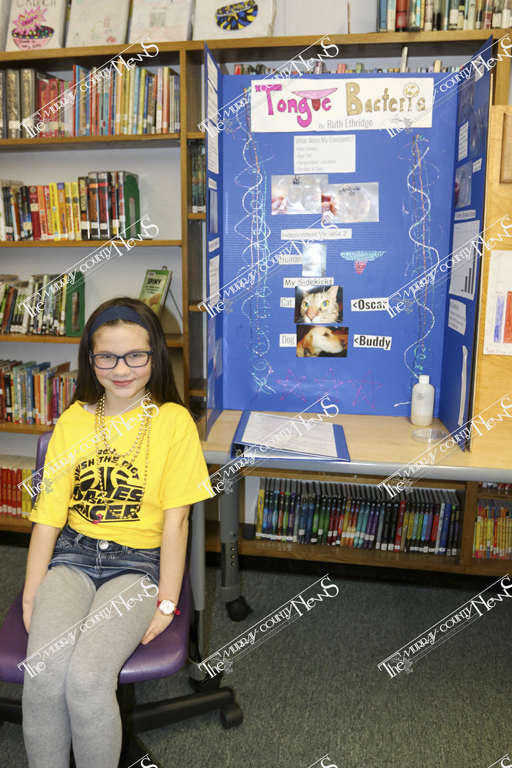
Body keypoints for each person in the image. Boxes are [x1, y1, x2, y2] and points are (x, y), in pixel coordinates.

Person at [22, 297, 212, 768]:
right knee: (42, 674)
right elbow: (48, 515)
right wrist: (30, 592)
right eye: (106, 357)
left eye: (135, 356)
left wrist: (168, 600)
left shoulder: (174, 423)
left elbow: (178, 521)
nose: (121, 369)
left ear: (155, 356)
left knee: (87, 680)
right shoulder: (74, 420)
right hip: (73, 555)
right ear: (91, 359)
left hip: (137, 564)